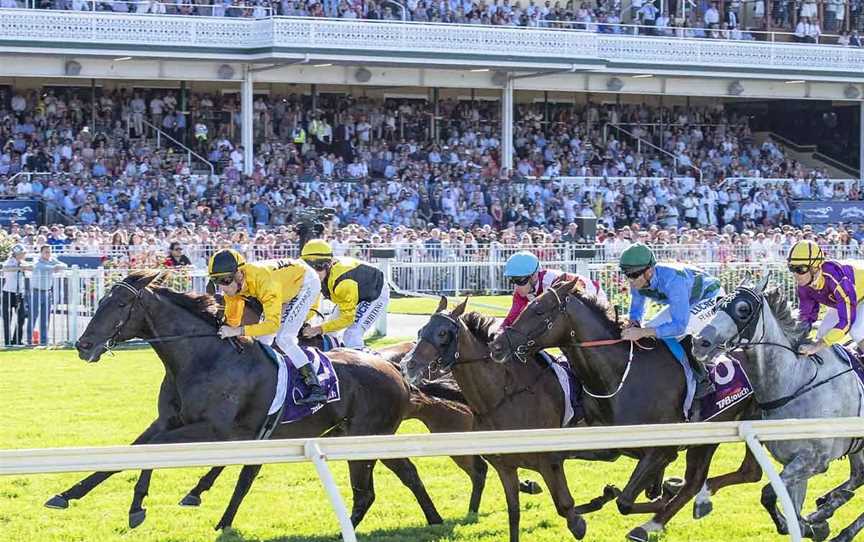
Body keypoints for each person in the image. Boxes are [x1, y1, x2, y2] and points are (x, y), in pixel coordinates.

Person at [618, 243, 724, 419]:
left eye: (633, 274)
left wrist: (643, 332)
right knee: (651, 327)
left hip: (711, 297)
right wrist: (634, 324)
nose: (630, 279)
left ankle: (702, 380)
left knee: (678, 332)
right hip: (687, 300)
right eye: (626, 274)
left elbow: (679, 326)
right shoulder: (638, 279)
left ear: (649, 271)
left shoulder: (673, 280)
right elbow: (637, 309)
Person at [208, 248, 327, 405]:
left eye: (225, 281)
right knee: (262, 341)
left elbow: (272, 325)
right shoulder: (235, 287)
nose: (222, 287)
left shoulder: (263, 281)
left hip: (306, 283)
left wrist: (237, 331)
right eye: (216, 282)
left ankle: (315, 387)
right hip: (285, 284)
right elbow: (232, 322)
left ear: (239, 274)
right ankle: (263, 382)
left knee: (284, 338)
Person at [299, 239, 389, 349]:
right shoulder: (316, 278)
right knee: (329, 333)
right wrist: (300, 320)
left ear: (329, 264)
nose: (315, 273)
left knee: (352, 333)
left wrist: (318, 329)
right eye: (309, 267)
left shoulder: (343, 282)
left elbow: (347, 319)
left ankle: (362, 363)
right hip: (354, 291)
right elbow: (313, 305)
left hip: (374, 294)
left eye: (319, 266)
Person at [788, 240, 864, 356]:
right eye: (792, 268)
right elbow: (807, 315)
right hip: (846, 302)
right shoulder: (804, 284)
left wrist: (816, 347)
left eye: (800, 269)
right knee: (822, 334)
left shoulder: (837, 279)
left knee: (857, 331)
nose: (795, 274)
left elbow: (846, 321)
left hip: (860, 298)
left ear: (815, 268)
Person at [501, 250, 608, 329]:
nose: (516, 286)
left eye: (519, 280)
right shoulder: (522, 291)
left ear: (534, 276)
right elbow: (513, 318)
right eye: (512, 280)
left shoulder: (553, 281)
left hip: (594, 297)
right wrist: (498, 332)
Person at [29, 245, 66, 346]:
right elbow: (40, 267)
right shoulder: (37, 261)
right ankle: (28, 340)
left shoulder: (52, 260)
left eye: (49, 252)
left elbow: (64, 265)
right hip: (36, 291)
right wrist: (54, 268)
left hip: (47, 291)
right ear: (41, 252)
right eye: (46, 252)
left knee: (46, 318)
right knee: (33, 316)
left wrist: (55, 266)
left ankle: (44, 340)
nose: (48, 254)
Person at [1, 244, 30, 346]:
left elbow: (31, 267)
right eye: (22, 253)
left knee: (21, 318)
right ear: (16, 254)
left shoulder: (23, 263)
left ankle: (17, 339)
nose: (24, 255)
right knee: (7, 318)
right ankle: (7, 341)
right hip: (8, 293)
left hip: (20, 293)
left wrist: (24, 267)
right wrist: (18, 268)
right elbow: (5, 268)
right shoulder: (9, 262)